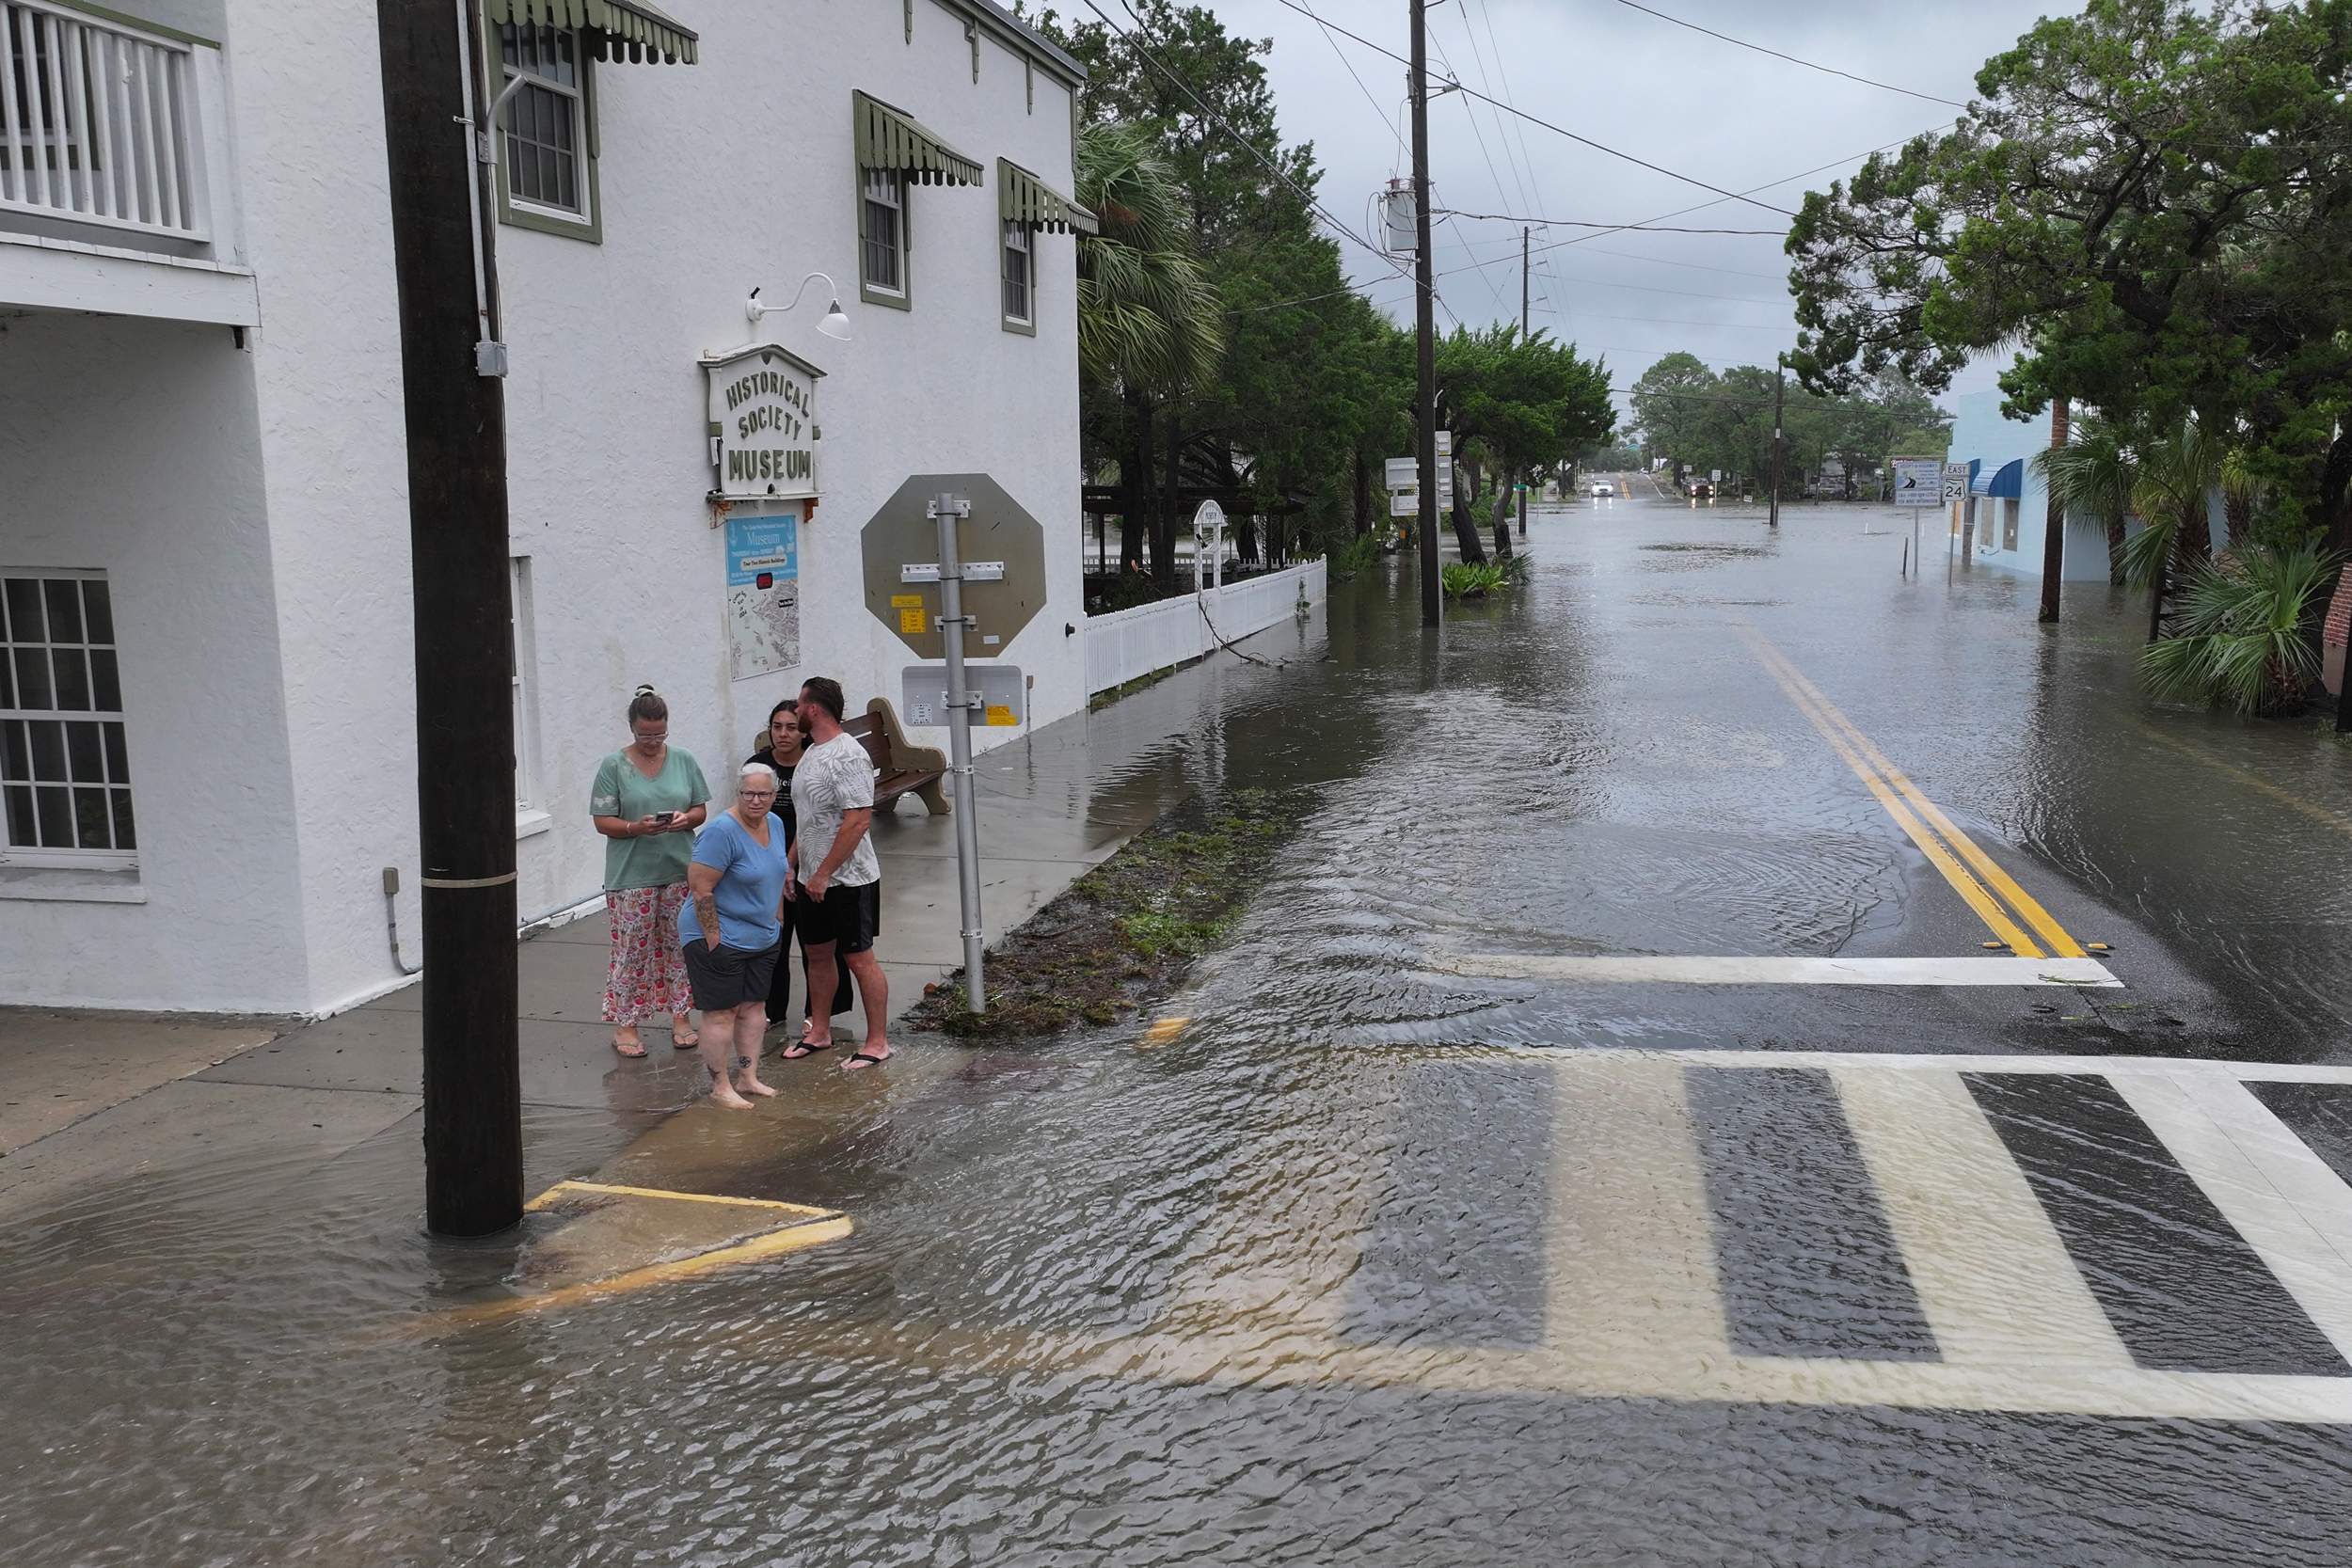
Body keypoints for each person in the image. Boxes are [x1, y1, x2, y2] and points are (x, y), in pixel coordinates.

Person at [590, 686, 709, 1057]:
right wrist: (635, 828)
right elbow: (601, 821)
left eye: (659, 734)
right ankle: (626, 1026)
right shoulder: (614, 765)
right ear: (631, 728)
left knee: (680, 946)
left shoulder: (684, 759)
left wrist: (683, 819)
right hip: (631, 876)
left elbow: (700, 811)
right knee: (632, 951)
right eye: (645, 735)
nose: (653, 741)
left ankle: (681, 1019)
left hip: (678, 869)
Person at [786, 676, 891, 1069]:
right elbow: (809, 819)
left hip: (849, 880)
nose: (795, 711)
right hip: (811, 878)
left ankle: (877, 1042)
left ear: (814, 709)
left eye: (799, 705)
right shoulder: (812, 752)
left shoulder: (848, 755)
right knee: (816, 954)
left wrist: (824, 873)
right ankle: (820, 1031)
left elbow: (857, 822)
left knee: (858, 958)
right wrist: (791, 864)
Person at [677, 763, 794, 1108]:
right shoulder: (721, 832)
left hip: (762, 936)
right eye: (748, 793)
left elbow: (776, 875)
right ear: (738, 793)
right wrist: (715, 941)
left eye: (763, 794)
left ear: (774, 796)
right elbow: (700, 888)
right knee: (721, 1012)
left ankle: (748, 1078)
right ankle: (720, 1085)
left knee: (753, 1008)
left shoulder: (775, 823)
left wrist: (778, 924)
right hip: (720, 937)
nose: (755, 800)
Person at [746, 698, 854, 1046]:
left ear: (803, 731)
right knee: (773, 942)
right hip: (770, 866)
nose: (783, 734)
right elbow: (748, 818)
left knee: (819, 945)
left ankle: (817, 1012)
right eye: (776, 726)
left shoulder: (815, 761)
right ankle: (771, 1009)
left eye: (791, 727)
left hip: (811, 864)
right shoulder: (757, 766)